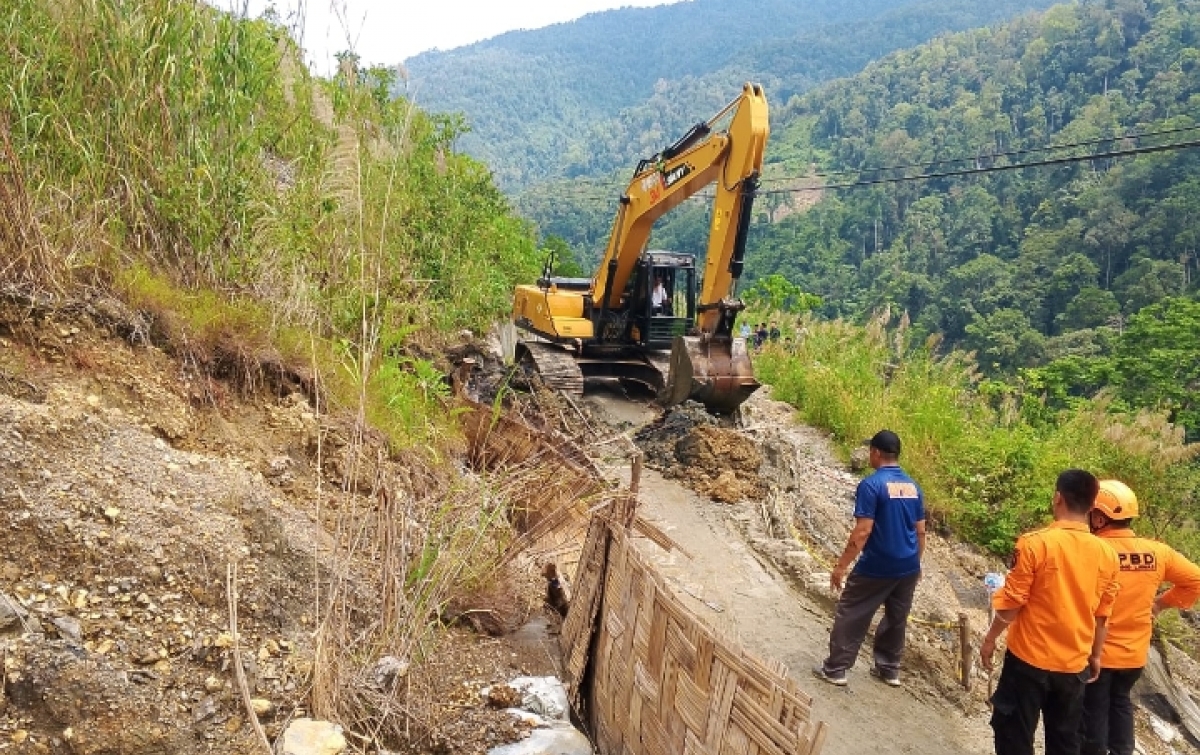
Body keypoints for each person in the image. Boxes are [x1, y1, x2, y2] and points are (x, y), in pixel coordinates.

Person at [979, 469, 1120, 755]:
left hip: (1028, 660)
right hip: (1073, 664)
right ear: (1092, 507)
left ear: (1057, 498)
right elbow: (1103, 615)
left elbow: (1013, 602)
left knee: (1014, 735)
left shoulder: (1035, 543)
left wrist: (990, 638)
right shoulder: (1107, 555)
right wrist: (1095, 655)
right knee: (1065, 741)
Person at [1080, 479, 1200, 755]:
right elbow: (1195, 580)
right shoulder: (1157, 552)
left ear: (1099, 517)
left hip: (1096, 653)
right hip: (1133, 656)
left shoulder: (1092, 550)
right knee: (1120, 702)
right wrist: (1160, 604)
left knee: (1093, 715)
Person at [813, 430, 925, 687]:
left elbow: (863, 531)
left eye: (869, 451)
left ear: (875, 452)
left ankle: (836, 669)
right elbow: (921, 531)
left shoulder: (871, 485)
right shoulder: (913, 487)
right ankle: (889, 669)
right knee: (897, 617)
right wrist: (916, 563)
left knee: (852, 611)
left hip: (878, 564)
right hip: (907, 565)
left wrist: (841, 566)